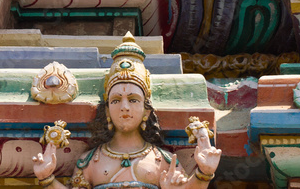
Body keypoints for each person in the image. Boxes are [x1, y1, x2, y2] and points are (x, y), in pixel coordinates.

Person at [32, 34, 221, 189]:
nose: (124, 107)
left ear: (147, 112)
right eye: (115, 100)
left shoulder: (163, 160)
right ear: (107, 111)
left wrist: (204, 173)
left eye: (133, 100)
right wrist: (47, 179)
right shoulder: (90, 162)